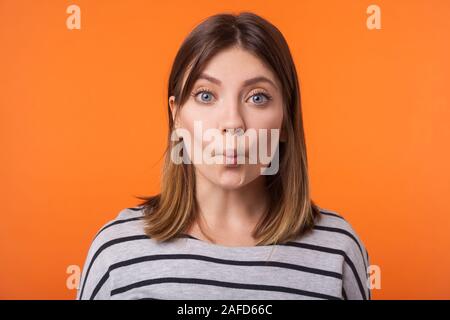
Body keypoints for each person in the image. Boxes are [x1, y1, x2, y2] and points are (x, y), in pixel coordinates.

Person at [77, 11, 370, 300]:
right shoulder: (115, 253)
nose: (232, 123)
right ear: (177, 115)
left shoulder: (338, 251)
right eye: (206, 95)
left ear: (285, 121)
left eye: (257, 97)